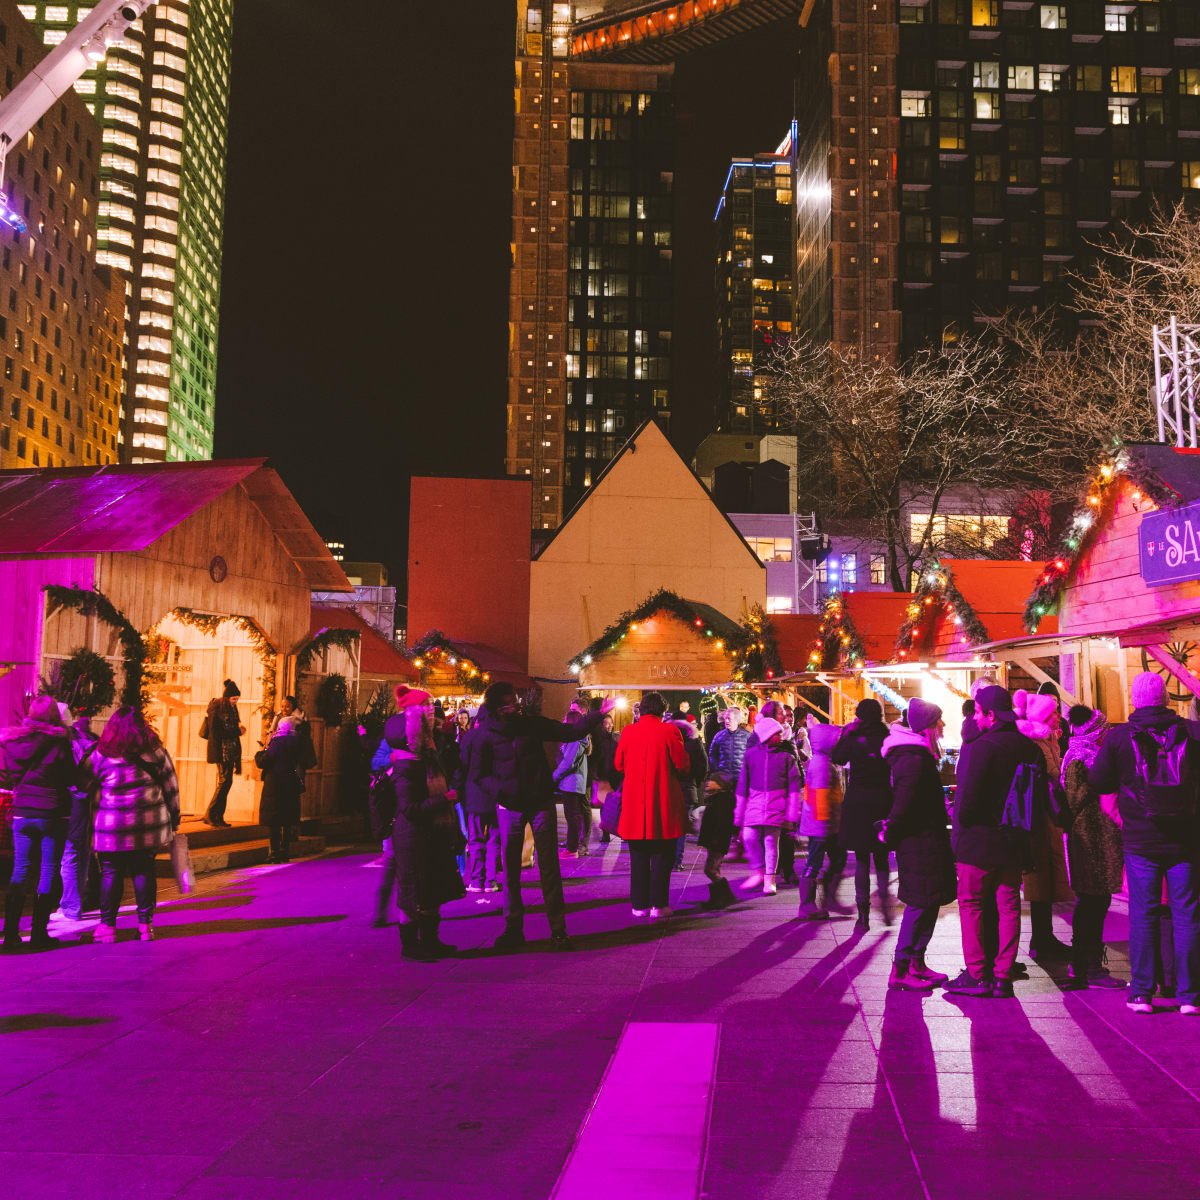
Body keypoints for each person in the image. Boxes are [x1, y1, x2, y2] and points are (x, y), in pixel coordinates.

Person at [471, 682, 614, 951]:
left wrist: (597, 713)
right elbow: (478, 774)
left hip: (540, 802)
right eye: (511, 703)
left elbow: (570, 731)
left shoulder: (530, 724)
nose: (517, 706)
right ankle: (513, 929)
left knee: (549, 867)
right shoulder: (485, 735)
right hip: (510, 807)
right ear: (498, 709)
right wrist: (502, 793)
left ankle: (558, 930)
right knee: (510, 871)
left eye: (517, 700)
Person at [1089, 672, 1200, 1014]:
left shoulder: (1119, 736)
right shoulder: (1193, 733)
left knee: (1144, 915)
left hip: (1140, 840)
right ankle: (1190, 997)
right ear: (1167, 698)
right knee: (1187, 917)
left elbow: (1098, 781)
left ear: (1135, 699)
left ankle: (1141, 994)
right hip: (1185, 841)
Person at [944, 685, 1042, 998]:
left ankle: (976, 974)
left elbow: (969, 802)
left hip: (979, 843)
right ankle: (1002, 975)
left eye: (977, 712)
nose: (975, 717)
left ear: (988, 714)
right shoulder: (1030, 748)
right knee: (1008, 906)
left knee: (972, 905)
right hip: (1013, 842)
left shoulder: (982, 748)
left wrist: (961, 826)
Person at [83, 706, 181, 943]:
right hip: (147, 826)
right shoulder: (155, 752)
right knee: (144, 870)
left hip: (110, 826)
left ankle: (107, 927)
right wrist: (175, 817)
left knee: (110, 872)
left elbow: (83, 785)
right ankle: (145, 926)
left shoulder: (101, 753)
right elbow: (171, 787)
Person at [372, 706, 461, 960]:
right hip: (412, 837)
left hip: (428, 834)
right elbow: (409, 809)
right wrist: (444, 799)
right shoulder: (406, 767)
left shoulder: (422, 761)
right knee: (413, 893)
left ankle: (431, 941)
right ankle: (411, 947)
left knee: (431, 890)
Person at [881, 699, 954, 990]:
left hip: (927, 837)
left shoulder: (918, 754)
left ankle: (917, 962)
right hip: (918, 841)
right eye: (939, 720)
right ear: (927, 726)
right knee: (920, 903)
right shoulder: (912, 757)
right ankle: (901, 968)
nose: (943, 725)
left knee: (930, 900)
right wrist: (891, 831)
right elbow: (905, 801)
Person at [1, 696, 76, 951]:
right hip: (52, 813)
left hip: (22, 813)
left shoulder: (12, 742)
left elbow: (8, 773)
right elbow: (71, 776)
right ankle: (39, 934)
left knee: (20, 869)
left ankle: (10, 935)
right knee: (48, 869)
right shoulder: (60, 743)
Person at [1060, 705, 1125, 990]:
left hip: (1097, 838)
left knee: (1096, 902)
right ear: (1095, 732)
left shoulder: (1087, 756)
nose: (1108, 733)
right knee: (1091, 903)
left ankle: (1085, 964)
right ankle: (1087, 966)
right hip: (1090, 840)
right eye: (1104, 728)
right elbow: (1074, 800)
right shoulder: (1080, 760)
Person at [613, 691, 689, 918]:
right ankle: (658, 905)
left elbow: (618, 764)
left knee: (638, 858)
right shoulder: (670, 731)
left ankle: (639, 905)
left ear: (642, 709)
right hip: (663, 804)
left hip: (635, 805)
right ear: (662, 711)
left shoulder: (628, 731)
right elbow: (682, 766)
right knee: (663, 857)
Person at [1014, 689, 1074, 961]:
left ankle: (1044, 936)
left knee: (1047, 877)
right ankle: (1041, 939)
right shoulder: (1037, 743)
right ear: (1043, 718)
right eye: (1054, 714)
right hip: (1039, 819)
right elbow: (1052, 775)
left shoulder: (1047, 739)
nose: (1059, 717)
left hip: (1046, 818)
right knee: (1040, 877)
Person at [833, 699, 894, 930]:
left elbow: (837, 757)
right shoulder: (886, 736)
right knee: (881, 857)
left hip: (858, 801)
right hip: (882, 800)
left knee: (861, 858)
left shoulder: (855, 736)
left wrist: (846, 733)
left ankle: (863, 914)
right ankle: (885, 901)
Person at [734, 716, 802, 895]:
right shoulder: (751, 756)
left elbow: (795, 789)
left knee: (771, 842)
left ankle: (769, 879)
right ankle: (758, 870)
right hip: (755, 804)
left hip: (776, 805)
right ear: (767, 735)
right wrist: (738, 814)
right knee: (749, 837)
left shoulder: (786, 758)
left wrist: (792, 815)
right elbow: (742, 785)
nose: (780, 736)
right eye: (776, 733)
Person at [797, 722, 846, 920]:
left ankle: (829, 898)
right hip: (822, 826)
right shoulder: (822, 766)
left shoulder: (824, 762)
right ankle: (808, 904)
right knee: (814, 863)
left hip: (827, 825)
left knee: (837, 859)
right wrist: (825, 826)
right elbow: (820, 799)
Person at [55, 707, 98, 926]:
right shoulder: (87, 740)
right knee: (82, 853)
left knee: (70, 855)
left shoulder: (64, 742)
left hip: (72, 803)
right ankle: (75, 902)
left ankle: (71, 906)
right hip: (88, 802)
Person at [456, 710, 501, 893]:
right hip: (495, 795)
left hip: (474, 794)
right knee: (493, 839)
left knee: (475, 839)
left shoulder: (470, 737)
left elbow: (462, 766)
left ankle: (476, 880)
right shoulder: (498, 737)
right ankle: (490, 880)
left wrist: (459, 790)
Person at [255, 716, 305, 863]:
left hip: (275, 784)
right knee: (287, 820)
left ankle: (275, 852)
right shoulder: (297, 742)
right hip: (291, 783)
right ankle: (285, 850)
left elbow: (264, 761)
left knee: (275, 820)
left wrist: (262, 750)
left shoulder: (277, 743)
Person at [202, 679, 244, 827]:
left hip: (230, 751)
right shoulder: (217, 708)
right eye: (234, 698)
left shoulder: (231, 709)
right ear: (227, 698)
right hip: (221, 750)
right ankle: (211, 814)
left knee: (226, 782)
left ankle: (218, 816)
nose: (235, 701)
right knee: (224, 782)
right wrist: (236, 731)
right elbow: (216, 731)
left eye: (237, 699)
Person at [555, 702, 591, 858]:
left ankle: (571, 849)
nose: (563, 721)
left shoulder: (575, 740)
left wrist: (555, 775)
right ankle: (572, 846)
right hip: (573, 781)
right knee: (573, 816)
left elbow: (568, 761)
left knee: (572, 816)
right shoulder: (577, 739)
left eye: (565, 719)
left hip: (572, 781)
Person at [673, 718, 708, 870]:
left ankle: (667, 858)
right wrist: (696, 783)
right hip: (688, 789)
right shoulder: (694, 746)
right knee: (681, 827)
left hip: (670, 789)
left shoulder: (671, 745)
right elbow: (703, 766)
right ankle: (677, 860)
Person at [588, 711, 620, 845]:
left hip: (613, 776)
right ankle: (606, 832)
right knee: (604, 806)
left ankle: (615, 830)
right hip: (603, 776)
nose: (606, 726)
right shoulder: (598, 741)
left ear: (612, 725)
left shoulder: (616, 740)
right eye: (604, 723)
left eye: (608, 724)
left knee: (615, 805)